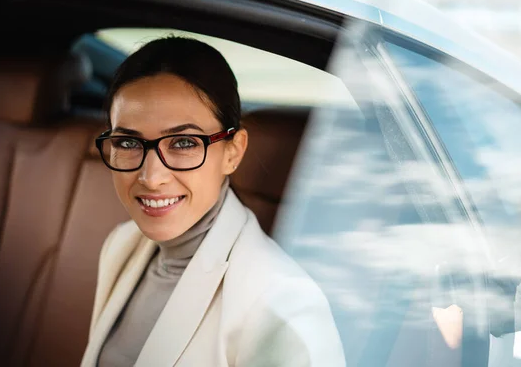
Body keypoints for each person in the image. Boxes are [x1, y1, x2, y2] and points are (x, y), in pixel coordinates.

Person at [81, 36, 345, 367]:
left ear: (233, 152)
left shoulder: (282, 306)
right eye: (129, 142)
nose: (151, 176)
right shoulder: (121, 244)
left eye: (182, 142)